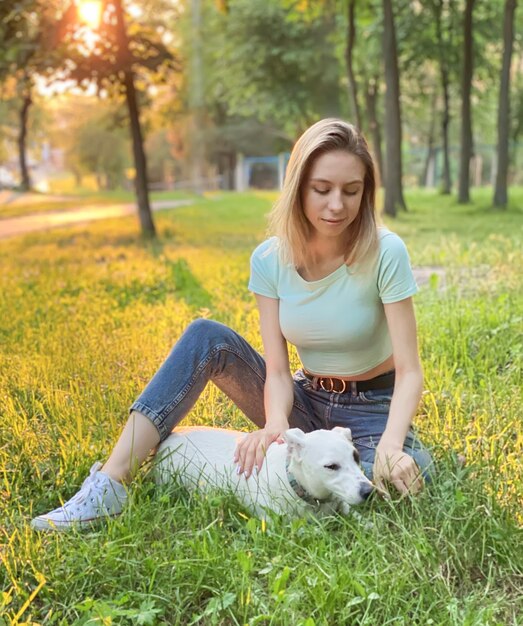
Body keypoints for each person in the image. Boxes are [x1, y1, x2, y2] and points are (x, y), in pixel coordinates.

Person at [31, 118, 433, 531]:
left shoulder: (386, 252)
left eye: (352, 191)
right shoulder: (269, 259)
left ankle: (408, 452)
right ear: (298, 187)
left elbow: (409, 371)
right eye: (322, 189)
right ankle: (110, 485)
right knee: (207, 337)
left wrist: (390, 444)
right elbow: (276, 370)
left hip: (371, 411)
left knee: (406, 481)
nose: (337, 205)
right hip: (304, 399)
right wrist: (276, 424)